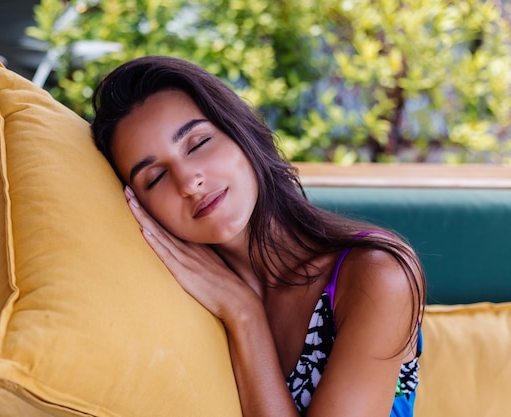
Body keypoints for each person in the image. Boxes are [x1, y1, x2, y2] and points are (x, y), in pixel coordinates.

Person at [91, 55, 425, 417]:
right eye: (154, 178)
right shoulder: (180, 298)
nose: (189, 182)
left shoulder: (376, 275)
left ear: (241, 132)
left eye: (198, 143)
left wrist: (245, 315)